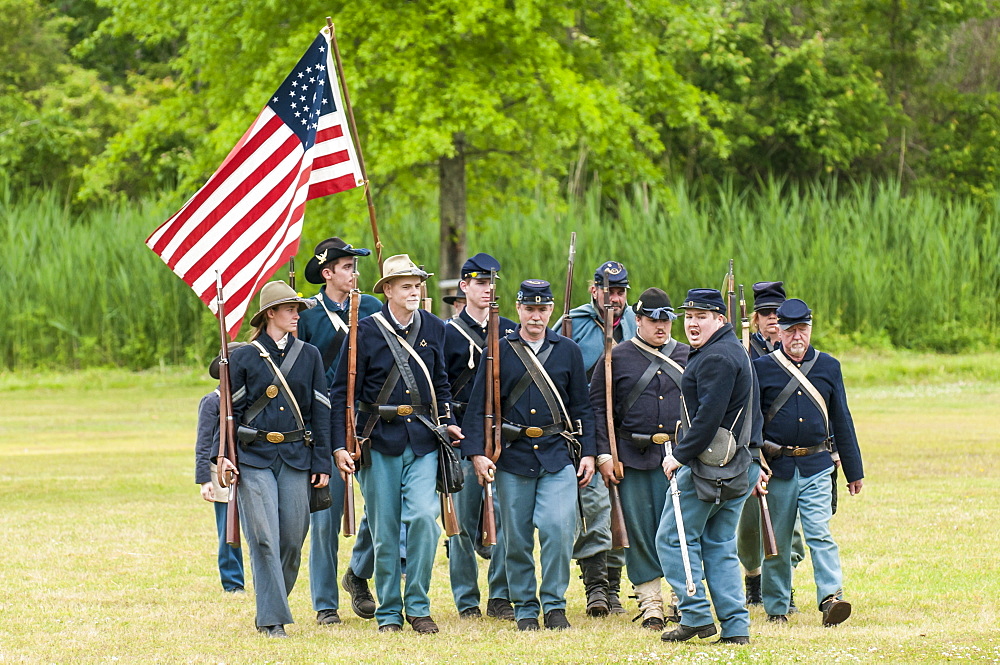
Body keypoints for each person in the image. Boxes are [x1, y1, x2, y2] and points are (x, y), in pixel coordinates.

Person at [330, 254, 460, 634]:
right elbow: (342, 393)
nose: (415, 291)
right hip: (377, 439)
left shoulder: (435, 327)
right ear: (387, 290)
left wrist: (447, 422)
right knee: (385, 531)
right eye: (406, 285)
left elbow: (441, 383)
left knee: (423, 519)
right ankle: (389, 612)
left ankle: (418, 606)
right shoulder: (363, 331)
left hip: (422, 438)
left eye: (417, 284)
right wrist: (342, 444)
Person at [463, 279, 596, 631]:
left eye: (542, 309)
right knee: (517, 538)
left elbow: (582, 406)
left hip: (556, 455)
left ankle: (553, 604)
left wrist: (590, 453)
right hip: (513, 457)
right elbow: (479, 406)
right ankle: (524, 605)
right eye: (529, 309)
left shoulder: (567, 349)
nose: (536, 317)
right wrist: (478, 453)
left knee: (557, 528)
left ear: (551, 310)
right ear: (518, 309)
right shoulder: (500, 349)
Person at [224, 281, 331, 638]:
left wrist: (322, 463)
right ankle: (272, 619)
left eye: (297, 309)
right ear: (270, 314)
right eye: (289, 309)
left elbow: (321, 413)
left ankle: (271, 603)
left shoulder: (310, 355)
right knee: (264, 538)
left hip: (297, 456)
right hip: (253, 456)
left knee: (290, 542)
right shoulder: (243, 357)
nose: (296, 315)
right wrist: (223, 456)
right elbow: (229, 412)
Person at [655, 288, 761, 645]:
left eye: (702, 317)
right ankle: (735, 628)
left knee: (673, 538)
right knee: (718, 544)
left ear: (720, 319)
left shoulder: (716, 357)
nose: (693, 323)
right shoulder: (734, 351)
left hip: (709, 468)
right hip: (740, 464)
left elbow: (707, 418)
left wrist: (678, 456)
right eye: (689, 317)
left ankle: (697, 615)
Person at [754, 299, 864, 626]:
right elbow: (753, 422)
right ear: (779, 332)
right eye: (790, 331)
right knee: (778, 540)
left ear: (810, 328)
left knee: (819, 532)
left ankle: (831, 598)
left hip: (817, 465)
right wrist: (755, 463)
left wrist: (854, 471)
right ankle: (776, 606)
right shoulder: (762, 368)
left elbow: (842, 420)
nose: (797, 336)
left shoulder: (829, 366)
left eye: (802, 329)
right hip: (778, 468)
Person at [590, 288, 689, 630]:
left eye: (666, 320)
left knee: (680, 527)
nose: (661, 327)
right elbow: (599, 410)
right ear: (639, 320)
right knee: (641, 531)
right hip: (633, 455)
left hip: (679, 456)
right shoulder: (615, 358)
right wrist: (604, 454)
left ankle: (682, 598)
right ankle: (650, 601)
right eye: (653, 320)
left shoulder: (689, 356)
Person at [297, 237, 382, 626]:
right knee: (325, 518)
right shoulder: (308, 315)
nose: (354, 273)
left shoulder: (374, 309)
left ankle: (358, 573)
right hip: (325, 423)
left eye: (355, 266)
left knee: (384, 510)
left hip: (368, 421)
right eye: (347, 267)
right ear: (327, 273)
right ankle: (325, 603)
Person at [552, 261, 636, 616]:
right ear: (594, 290)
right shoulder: (572, 323)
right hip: (587, 427)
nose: (615, 298)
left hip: (628, 428)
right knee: (595, 506)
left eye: (620, 291)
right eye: (609, 291)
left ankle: (614, 586)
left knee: (625, 508)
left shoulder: (636, 322)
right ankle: (597, 587)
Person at [442, 254, 517, 621]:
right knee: (463, 523)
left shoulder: (510, 331)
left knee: (508, 519)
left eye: (491, 283)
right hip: (462, 435)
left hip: (505, 435)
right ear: (464, 286)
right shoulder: (445, 333)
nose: (487, 289)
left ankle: (501, 594)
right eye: (480, 283)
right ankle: (467, 598)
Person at [738, 279, 804, 608]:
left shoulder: (797, 350)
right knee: (750, 523)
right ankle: (753, 577)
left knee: (787, 525)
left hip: (788, 451)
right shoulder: (744, 348)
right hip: (754, 448)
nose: (772, 319)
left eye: (777, 313)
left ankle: (783, 587)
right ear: (756, 318)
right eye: (765, 313)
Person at [195, 343, 247, 594]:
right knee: (228, 529)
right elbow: (203, 444)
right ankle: (233, 583)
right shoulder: (211, 402)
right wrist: (205, 480)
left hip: (249, 465)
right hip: (220, 473)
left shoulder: (247, 401)